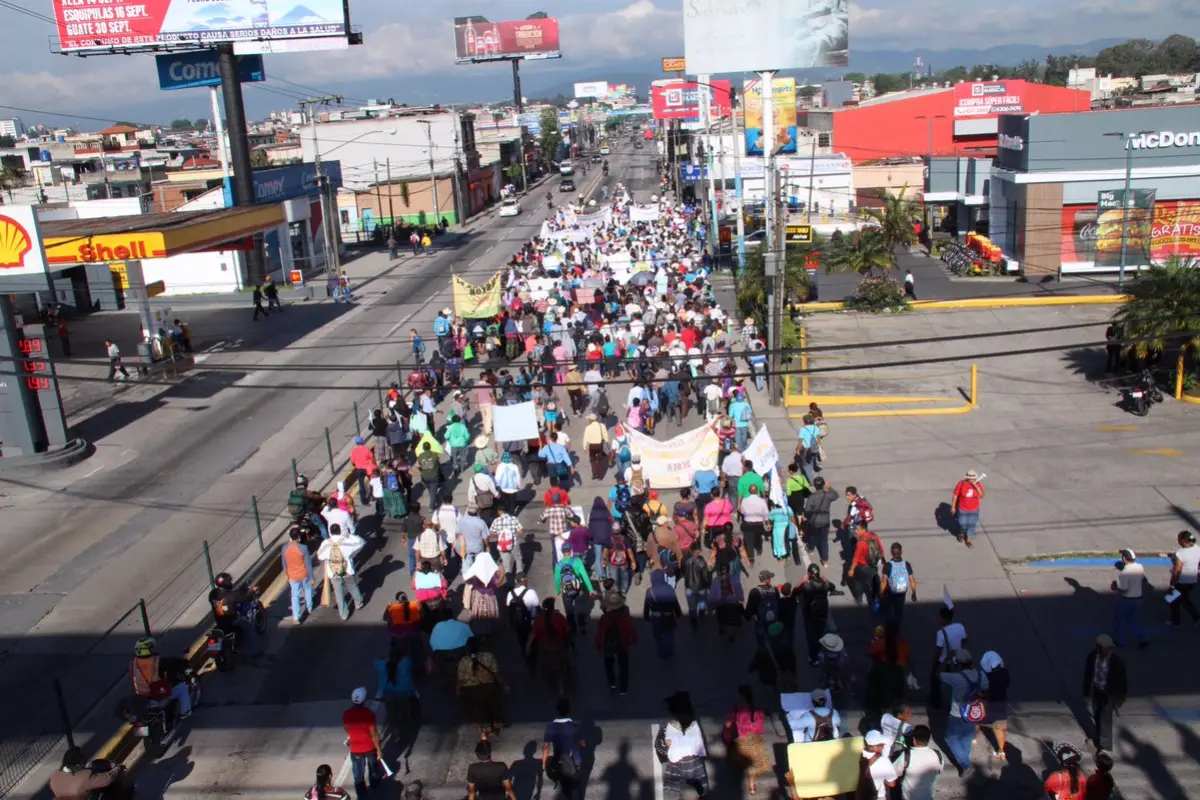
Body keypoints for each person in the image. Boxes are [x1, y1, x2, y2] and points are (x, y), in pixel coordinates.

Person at [938, 649, 988, 775]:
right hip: (974, 713)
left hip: (957, 714)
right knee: (966, 737)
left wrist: (947, 662)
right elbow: (986, 690)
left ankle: (965, 764)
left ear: (958, 664)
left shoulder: (955, 677)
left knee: (950, 738)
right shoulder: (982, 675)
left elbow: (939, 675)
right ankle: (964, 763)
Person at [722, 684, 772, 795]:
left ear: (741, 697)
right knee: (753, 765)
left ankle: (736, 774)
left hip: (743, 741)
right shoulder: (759, 709)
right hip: (756, 741)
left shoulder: (737, 710)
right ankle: (752, 786)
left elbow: (728, 724)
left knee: (736, 759)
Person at [657, 691, 709, 797]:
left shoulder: (668, 724)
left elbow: (660, 746)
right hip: (694, 763)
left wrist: (665, 750)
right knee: (698, 787)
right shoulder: (694, 722)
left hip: (676, 764)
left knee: (676, 791)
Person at [1082, 635, 1126, 754]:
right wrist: (1086, 694)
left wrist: (1119, 700)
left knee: (1105, 720)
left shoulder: (1116, 662)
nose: (1108, 650)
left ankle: (1106, 748)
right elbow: (1087, 676)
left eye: (1110, 648)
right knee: (1097, 716)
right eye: (1106, 648)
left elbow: (1122, 682)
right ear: (1099, 648)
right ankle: (1100, 740)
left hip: (1108, 695)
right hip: (1097, 691)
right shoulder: (1092, 657)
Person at [130, 637, 192, 720]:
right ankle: (185, 712)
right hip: (158, 695)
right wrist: (183, 663)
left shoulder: (134, 663)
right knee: (182, 687)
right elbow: (172, 663)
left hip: (143, 698)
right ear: (146, 649)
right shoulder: (156, 661)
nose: (152, 650)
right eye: (150, 648)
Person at [458, 637, 505, 737]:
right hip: (489, 688)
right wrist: (504, 684)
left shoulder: (464, 660)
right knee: (494, 701)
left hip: (470, 691)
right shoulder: (488, 656)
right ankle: (496, 722)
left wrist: (457, 689)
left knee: (476, 707)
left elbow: (461, 679)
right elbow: (496, 673)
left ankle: (483, 728)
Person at [317, 523, 366, 621]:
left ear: (330, 532)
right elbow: (361, 542)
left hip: (333, 572)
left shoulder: (326, 543)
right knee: (352, 586)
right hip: (347, 570)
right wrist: (350, 535)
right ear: (340, 530)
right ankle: (358, 602)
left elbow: (320, 555)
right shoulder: (345, 541)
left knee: (338, 593)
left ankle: (343, 614)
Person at [879, 542, 917, 663]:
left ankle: (891, 631)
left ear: (891, 552)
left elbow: (884, 582)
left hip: (891, 594)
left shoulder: (888, 565)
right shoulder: (906, 564)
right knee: (899, 611)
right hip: (902, 593)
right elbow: (912, 580)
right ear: (901, 552)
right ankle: (897, 627)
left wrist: (880, 593)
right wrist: (914, 593)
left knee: (890, 614)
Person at [343, 687, 383, 798]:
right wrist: (379, 750)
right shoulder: (369, 714)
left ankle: (362, 796)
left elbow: (347, 728)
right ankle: (374, 786)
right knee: (373, 769)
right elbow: (374, 733)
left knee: (358, 776)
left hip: (355, 750)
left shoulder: (347, 714)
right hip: (369, 747)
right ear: (364, 701)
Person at [595, 589, 637, 694]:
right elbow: (631, 631)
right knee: (623, 667)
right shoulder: (625, 618)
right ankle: (623, 688)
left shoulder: (604, 618)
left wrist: (598, 644)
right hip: (623, 645)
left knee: (609, 665)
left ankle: (612, 683)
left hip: (608, 644)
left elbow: (599, 633)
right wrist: (634, 639)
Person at [543, 698, 586, 800]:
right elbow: (583, 743)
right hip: (574, 762)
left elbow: (546, 747)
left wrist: (544, 764)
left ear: (557, 710)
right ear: (569, 711)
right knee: (575, 787)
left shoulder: (551, 727)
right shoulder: (574, 726)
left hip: (559, 762)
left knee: (565, 787)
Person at [49, 747, 127, 800]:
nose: (84, 765)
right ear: (77, 765)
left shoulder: (54, 776)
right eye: (83, 763)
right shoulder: (85, 777)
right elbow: (108, 778)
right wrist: (118, 768)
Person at [929, 605, 967, 710]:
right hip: (958, 660)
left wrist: (933, 664)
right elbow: (965, 641)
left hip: (944, 661)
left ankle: (936, 703)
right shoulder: (960, 626)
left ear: (944, 619)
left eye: (940, 617)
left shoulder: (941, 633)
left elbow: (938, 651)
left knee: (935, 679)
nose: (938, 619)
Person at [892, 724, 943, 800]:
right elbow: (940, 771)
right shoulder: (937, 755)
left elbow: (892, 774)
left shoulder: (906, 755)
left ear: (914, 739)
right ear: (928, 739)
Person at [1110, 548, 1148, 647]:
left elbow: (1123, 590)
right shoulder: (1140, 567)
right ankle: (1142, 637)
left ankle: (1120, 640)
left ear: (1124, 558)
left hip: (1125, 600)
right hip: (1138, 598)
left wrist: (1115, 587)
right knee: (1134, 621)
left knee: (1119, 620)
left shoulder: (1124, 574)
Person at [554, 541, 595, 633]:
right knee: (580, 607)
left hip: (566, 589)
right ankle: (582, 626)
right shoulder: (577, 561)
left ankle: (572, 628)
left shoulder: (558, 564)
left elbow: (556, 579)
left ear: (562, 552)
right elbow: (584, 576)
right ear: (570, 551)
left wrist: (558, 591)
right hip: (578, 588)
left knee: (569, 610)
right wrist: (590, 589)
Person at [977, 650, 1010, 761]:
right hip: (1001, 705)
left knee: (977, 723)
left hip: (987, 705)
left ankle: (973, 739)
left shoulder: (985, 677)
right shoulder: (1005, 674)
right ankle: (1001, 751)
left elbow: (984, 693)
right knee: (1000, 729)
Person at [797, 564, 832, 666]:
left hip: (810, 614)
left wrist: (802, 581)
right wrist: (824, 579)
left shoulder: (806, 585)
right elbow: (832, 586)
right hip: (822, 612)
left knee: (811, 636)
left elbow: (795, 591)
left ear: (809, 573)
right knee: (820, 632)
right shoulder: (824, 584)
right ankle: (820, 651)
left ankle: (813, 657)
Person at [644, 569, 683, 659]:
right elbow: (675, 602)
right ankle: (670, 651)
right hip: (668, 615)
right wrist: (678, 613)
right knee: (669, 633)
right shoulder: (669, 588)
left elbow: (647, 605)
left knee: (658, 635)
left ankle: (661, 652)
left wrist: (646, 616)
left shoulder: (650, 591)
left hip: (656, 616)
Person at [280, 526, 315, 624]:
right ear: (298, 537)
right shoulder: (303, 548)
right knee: (307, 590)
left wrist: (286, 575)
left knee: (295, 595)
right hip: (303, 574)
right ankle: (309, 607)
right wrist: (311, 577)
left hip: (292, 576)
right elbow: (308, 563)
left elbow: (284, 563)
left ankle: (296, 616)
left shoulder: (284, 548)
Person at [1168, 529, 1200, 627]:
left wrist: (1172, 584)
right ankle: (1195, 619)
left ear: (1183, 540)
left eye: (1178, 539)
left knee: (1173, 599)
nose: (1177, 541)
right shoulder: (1197, 548)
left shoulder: (1180, 553)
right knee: (1182, 599)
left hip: (1182, 582)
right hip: (1193, 580)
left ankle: (1176, 622)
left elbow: (1177, 571)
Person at [803, 477, 837, 569]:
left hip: (814, 522)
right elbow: (836, 495)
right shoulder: (828, 495)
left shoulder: (812, 497)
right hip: (825, 522)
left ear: (815, 486)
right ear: (823, 484)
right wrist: (829, 487)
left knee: (813, 537)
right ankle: (825, 560)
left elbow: (807, 511)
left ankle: (810, 549)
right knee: (824, 541)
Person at [858, 729, 899, 799]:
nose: (883, 746)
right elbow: (892, 784)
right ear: (873, 746)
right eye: (881, 744)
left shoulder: (858, 756)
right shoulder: (883, 761)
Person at [950, 470, 985, 548]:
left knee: (972, 525)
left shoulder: (978, 484)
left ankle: (968, 540)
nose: (972, 480)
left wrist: (976, 487)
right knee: (962, 523)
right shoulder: (961, 484)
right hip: (962, 508)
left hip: (974, 509)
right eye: (971, 479)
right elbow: (955, 495)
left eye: (974, 479)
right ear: (967, 479)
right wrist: (953, 506)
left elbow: (982, 496)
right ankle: (962, 532)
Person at [681, 541, 712, 631]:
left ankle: (693, 620)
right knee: (702, 601)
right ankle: (702, 614)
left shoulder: (685, 560)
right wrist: (708, 585)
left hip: (689, 586)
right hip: (701, 586)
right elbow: (705, 576)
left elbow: (683, 572)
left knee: (692, 606)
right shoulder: (701, 562)